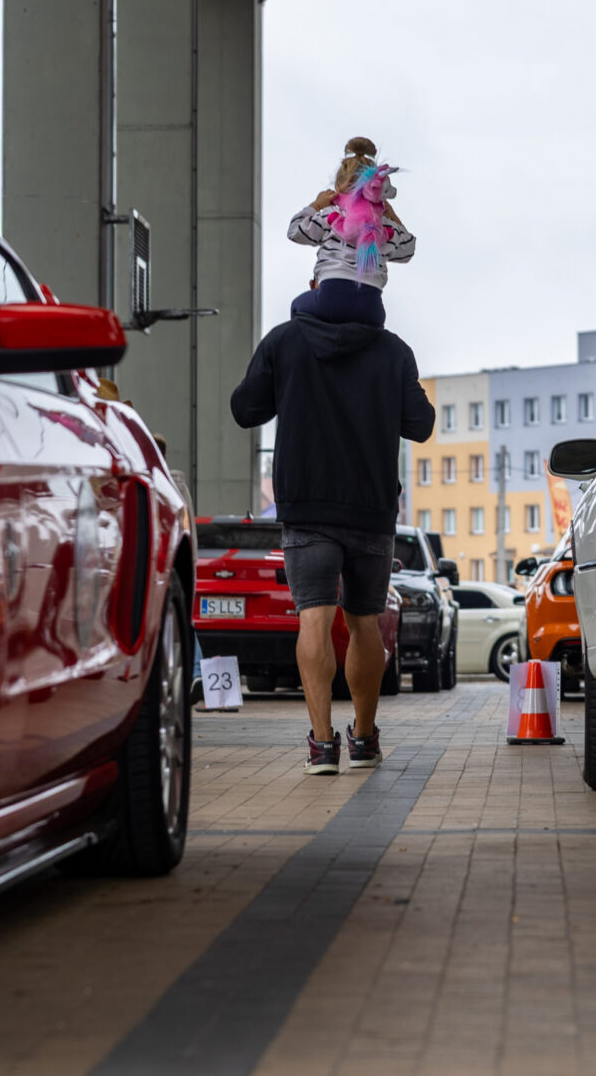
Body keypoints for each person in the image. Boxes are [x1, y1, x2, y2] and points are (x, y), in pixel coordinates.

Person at [231, 309, 435, 774]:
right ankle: (363, 740)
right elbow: (421, 425)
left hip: (307, 508)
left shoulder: (284, 341)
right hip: (371, 510)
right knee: (365, 623)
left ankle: (322, 746)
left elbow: (245, 409)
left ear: (315, 285)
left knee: (314, 620)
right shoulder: (393, 350)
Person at [286, 136, 416, 328]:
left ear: (338, 188)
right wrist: (391, 214)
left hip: (330, 296)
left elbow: (295, 231)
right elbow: (409, 249)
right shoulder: (385, 227)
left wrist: (317, 205)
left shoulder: (331, 216)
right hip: (371, 308)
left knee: (297, 306)